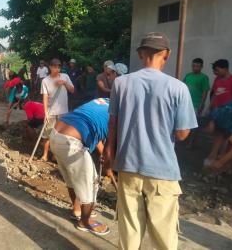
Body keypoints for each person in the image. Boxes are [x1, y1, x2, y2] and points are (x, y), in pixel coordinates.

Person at [104, 32, 197, 250]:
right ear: (167, 54)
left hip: (128, 165)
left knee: (130, 232)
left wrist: (108, 156)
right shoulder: (178, 88)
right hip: (162, 171)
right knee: (164, 236)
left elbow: (112, 125)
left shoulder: (121, 83)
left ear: (140, 54)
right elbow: (183, 134)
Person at [50, 98, 111, 236]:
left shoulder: (103, 101)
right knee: (91, 182)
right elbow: (110, 146)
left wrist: (103, 154)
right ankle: (85, 221)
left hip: (55, 135)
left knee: (72, 178)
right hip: (71, 142)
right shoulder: (118, 113)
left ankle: (77, 211)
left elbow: (97, 133)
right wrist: (108, 166)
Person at [40, 58, 74, 161]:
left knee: (60, 135)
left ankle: (55, 155)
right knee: (47, 134)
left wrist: (64, 83)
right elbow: (45, 97)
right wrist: (45, 113)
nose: (57, 69)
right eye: (55, 67)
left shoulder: (65, 77)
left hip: (63, 112)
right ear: (50, 67)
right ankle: (45, 155)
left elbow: (72, 90)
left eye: (59, 67)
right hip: (51, 112)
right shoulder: (45, 81)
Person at [183, 58, 210, 148]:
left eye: (197, 66)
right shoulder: (188, 76)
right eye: (193, 66)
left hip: (196, 104)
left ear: (201, 67)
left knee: (194, 125)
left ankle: (191, 143)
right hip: (185, 104)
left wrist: (201, 105)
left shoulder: (204, 77)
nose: (195, 68)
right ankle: (185, 139)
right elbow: (183, 88)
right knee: (184, 122)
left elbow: (205, 92)